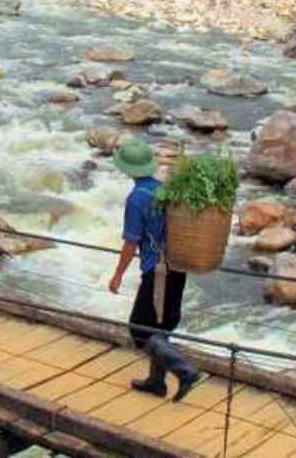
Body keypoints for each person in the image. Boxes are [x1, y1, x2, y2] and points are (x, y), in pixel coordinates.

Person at [107, 137, 200, 401]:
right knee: (161, 327)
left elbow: (131, 241)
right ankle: (156, 382)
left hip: (157, 271)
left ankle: (185, 371)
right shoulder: (164, 189)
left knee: (139, 328)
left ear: (127, 170)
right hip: (177, 266)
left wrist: (117, 275)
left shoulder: (137, 198)